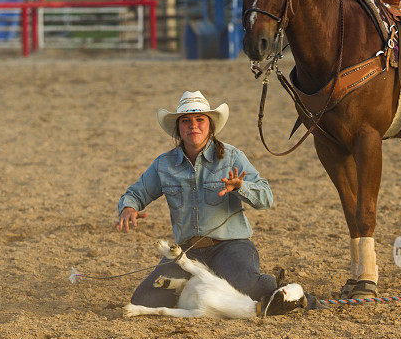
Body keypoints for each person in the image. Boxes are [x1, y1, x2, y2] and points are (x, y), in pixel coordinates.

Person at [115, 90, 315, 315]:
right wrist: (129, 207)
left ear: (210, 125)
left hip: (231, 247)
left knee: (251, 290)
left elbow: (266, 197)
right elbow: (137, 192)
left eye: (200, 120)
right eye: (186, 121)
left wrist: (241, 187)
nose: (193, 126)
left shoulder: (231, 157)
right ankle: (196, 282)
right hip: (187, 252)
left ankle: (274, 286)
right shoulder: (164, 164)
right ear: (178, 128)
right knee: (145, 299)